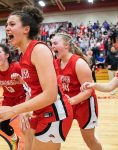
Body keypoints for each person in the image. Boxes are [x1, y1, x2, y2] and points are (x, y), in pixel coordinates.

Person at [0, 6, 73, 150]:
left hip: (54, 112)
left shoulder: (39, 49)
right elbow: (31, 90)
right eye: (7, 24)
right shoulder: (23, 55)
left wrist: (15, 110)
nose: (7, 28)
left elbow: (50, 95)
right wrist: (25, 110)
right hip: (39, 111)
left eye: (12, 24)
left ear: (26, 29)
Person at [51, 33, 102, 150]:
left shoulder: (79, 63)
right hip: (67, 104)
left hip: (84, 104)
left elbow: (88, 91)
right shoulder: (55, 63)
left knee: (89, 139)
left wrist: (71, 101)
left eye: (55, 43)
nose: (52, 46)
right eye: (51, 43)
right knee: (55, 136)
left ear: (66, 46)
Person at [0, 44, 27, 150]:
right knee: (3, 126)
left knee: (25, 126)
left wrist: (21, 79)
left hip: (22, 99)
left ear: (6, 55)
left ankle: (29, 145)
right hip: (8, 99)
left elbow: (31, 83)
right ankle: (16, 139)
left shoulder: (16, 67)